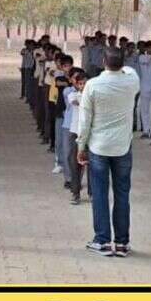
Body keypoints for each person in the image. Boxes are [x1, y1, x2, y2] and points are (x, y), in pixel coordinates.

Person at [76, 48, 140, 257]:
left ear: (103, 61)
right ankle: (121, 243)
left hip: (98, 146)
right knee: (122, 194)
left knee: (100, 194)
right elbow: (130, 70)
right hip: (123, 146)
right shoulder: (131, 81)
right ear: (123, 63)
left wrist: (81, 146)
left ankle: (102, 240)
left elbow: (85, 120)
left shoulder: (92, 85)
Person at [64, 69, 88, 204]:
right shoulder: (73, 95)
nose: (83, 86)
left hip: (90, 134)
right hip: (76, 133)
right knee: (75, 163)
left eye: (85, 83)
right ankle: (75, 192)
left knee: (91, 164)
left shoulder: (94, 96)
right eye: (80, 83)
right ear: (77, 84)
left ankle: (92, 193)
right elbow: (75, 102)